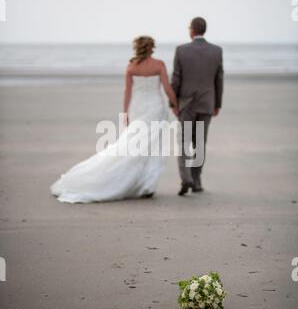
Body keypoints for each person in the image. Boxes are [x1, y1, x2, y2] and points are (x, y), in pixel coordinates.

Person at [50, 36, 178, 203]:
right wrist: (176, 105)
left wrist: (125, 113)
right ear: (151, 48)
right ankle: (147, 186)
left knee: (131, 145)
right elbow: (167, 88)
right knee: (153, 148)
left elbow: (127, 92)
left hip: (137, 108)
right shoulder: (159, 64)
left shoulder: (131, 67)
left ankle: (140, 183)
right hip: (155, 108)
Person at [171, 17, 224, 196]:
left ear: (192, 30)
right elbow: (219, 80)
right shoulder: (216, 51)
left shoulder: (181, 50)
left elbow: (176, 79)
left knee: (185, 142)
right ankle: (197, 181)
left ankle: (186, 178)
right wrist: (217, 104)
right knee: (200, 143)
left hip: (186, 105)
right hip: (206, 104)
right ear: (204, 30)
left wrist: (173, 102)